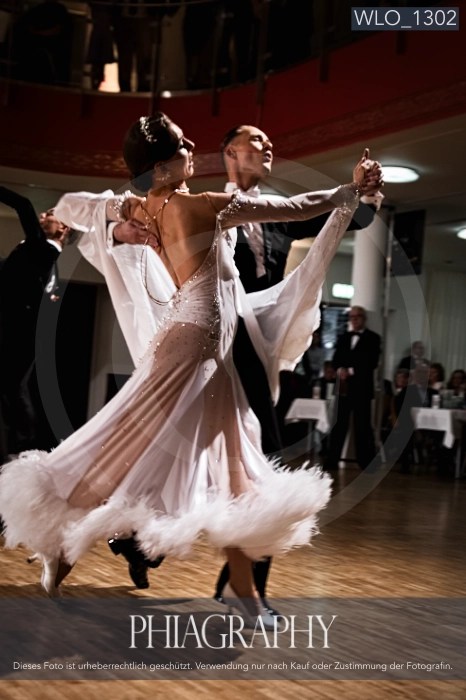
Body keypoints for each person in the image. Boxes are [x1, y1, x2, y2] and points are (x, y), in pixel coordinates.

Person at [0, 113, 380, 621]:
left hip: (205, 351)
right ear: (161, 165)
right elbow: (295, 206)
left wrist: (119, 228)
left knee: (216, 463)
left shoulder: (142, 206)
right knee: (141, 451)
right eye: (183, 144)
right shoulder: (206, 204)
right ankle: (65, 547)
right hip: (195, 349)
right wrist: (347, 190)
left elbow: (86, 207)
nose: (192, 145)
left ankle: (233, 587)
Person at [213, 124, 383, 609]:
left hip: (259, 358)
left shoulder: (278, 213)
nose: (269, 145)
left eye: (269, 140)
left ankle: (241, 582)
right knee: (189, 459)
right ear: (230, 152)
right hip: (215, 354)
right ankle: (139, 543)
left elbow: (345, 220)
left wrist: (367, 194)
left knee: (261, 463)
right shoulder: (207, 207)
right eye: (257, 140)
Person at [0, 186, 72, 460]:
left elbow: (23, 205)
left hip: (20, 333)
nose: (43, 215)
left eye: (50, 214)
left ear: (63, 229)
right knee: (11, 388)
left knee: (12, 388)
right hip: (19, 331)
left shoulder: (41, 248)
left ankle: (22, 448)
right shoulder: (41, 255)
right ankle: (18, 448)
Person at [325, 306, 381, 471]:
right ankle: (332, 460)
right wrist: (339, 370)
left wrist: (350, 371)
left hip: (362, 389)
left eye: (358, 316)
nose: (354, 319)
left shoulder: (373, 338)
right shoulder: (343, 337)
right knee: (338, 424)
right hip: (343, 387)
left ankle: (366, 462)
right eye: (352, 317)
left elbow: (372, 362)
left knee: (362, 425)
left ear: (364, 318)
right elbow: (336, 359)